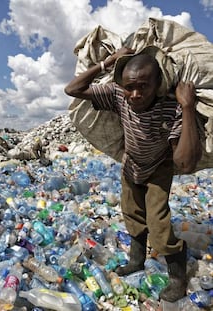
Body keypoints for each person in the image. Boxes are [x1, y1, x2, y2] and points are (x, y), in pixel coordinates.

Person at [64, 46, 202, 302]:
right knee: (132, 214)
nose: (135, 94)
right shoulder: (118, 96)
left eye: (143, 86)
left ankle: (177, 275)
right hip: (131, 165)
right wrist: (108, 62)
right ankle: (136, 261)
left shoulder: (170, 108)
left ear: (158, 83)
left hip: (159, 168)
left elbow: (183, 162)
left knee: (158, 223)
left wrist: (187, 107)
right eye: (130, 86)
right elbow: (72, 89)